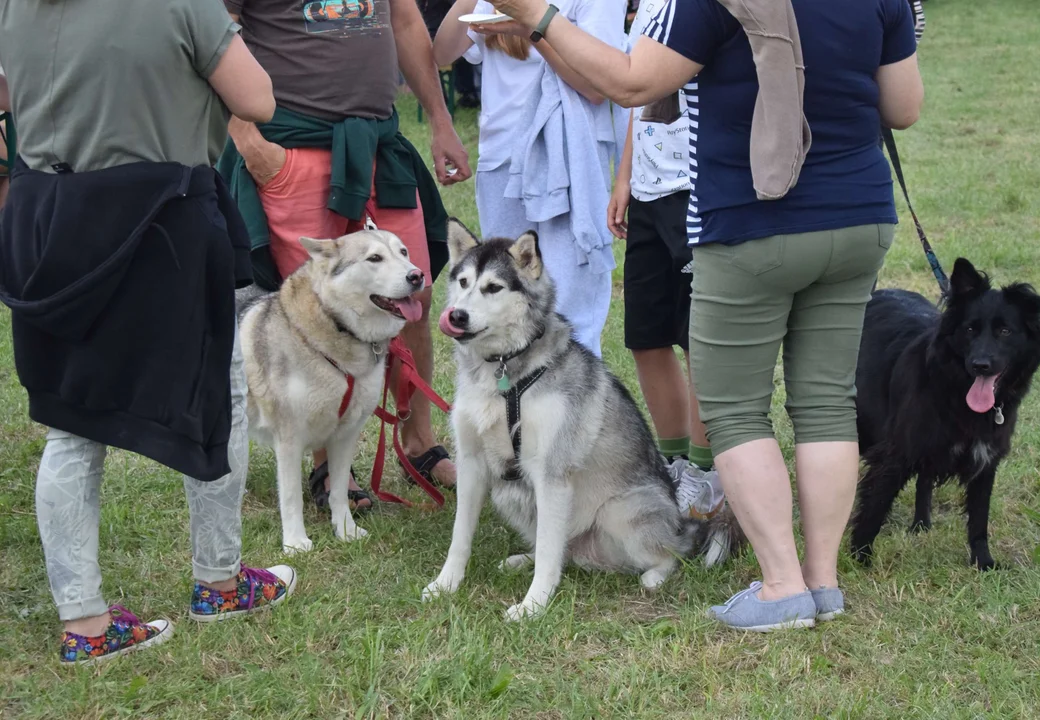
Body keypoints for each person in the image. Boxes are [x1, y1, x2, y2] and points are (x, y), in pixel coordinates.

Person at [482, 0, 924, 629]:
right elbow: (903, 108)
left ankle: (781, 586)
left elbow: (634, 81)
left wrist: (536, 14)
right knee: (826, 402)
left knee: (736, 408)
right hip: (860, 217)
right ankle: (823, 584)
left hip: (753, 223)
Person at [0, 0, 295, 664]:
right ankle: (219, 583)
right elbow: (258, 99)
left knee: (70, 423)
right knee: (216, 394)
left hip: (48, 216)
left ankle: (85, 623)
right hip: (159, 218)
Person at [221, 0, 472, 507]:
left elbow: (403, 20)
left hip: (379, 140)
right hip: (293, 145)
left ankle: (418, 440)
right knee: (311, 314)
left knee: (412, 296)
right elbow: (211, 33)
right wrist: (251, 143)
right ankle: (326, 467)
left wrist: (440, 120)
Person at [433, 0, 625, 356]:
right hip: (502, 157)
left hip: (567, 159)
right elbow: (442, 51)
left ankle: (572, 406)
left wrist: (531, 29)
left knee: (571, 315)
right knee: (502, 303)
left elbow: (597, 86)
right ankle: (510, 408)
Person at [606, 0, 719, 516]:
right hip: (650, 192)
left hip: (697, 188)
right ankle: (672, 462)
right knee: (646, 338)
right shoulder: (650, 7)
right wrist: (626, 178)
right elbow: (640, 95)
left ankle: (705, 469)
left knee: (700, 341)